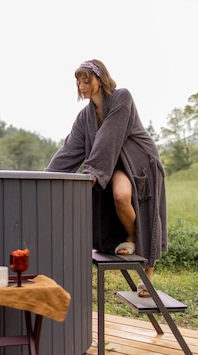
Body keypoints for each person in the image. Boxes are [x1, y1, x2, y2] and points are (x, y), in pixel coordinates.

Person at [46, 59, 167, 297]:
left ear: (100, 80)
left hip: (137, 161)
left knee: (125, 197)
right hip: (110, 164)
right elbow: (70, 150)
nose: (82, 86)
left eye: (86, 80)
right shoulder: (85, 117)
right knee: (116, 197)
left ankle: (147, 276)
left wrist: (92, 171)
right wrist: (45, 179)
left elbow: (110, 136)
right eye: (78, 81)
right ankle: (129, 236)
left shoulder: (122, 97)